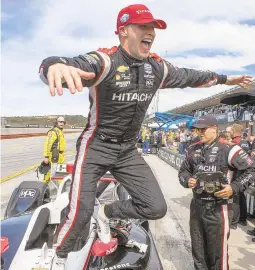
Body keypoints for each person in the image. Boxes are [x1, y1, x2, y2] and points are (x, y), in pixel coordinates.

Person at [38, 3, 253, 267]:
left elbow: (192, 76)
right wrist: (52, 66)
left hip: (128, 150)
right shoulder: (105, 60)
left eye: (153, 27)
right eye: (144, 26)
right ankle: (55, 256)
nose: (150, 31)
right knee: (80, 214)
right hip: (96, 146)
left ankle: (106, 212)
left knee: (156, 208)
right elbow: (70, 63)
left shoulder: (157, 68)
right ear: (123, 31)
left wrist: (225, 79)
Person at [179, 115, 255, 270]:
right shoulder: (193, 148)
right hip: (197, 207)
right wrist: (187, 181)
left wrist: (233, 188)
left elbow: (252, 170)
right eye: (197, 129)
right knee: (198, 251)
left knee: (217, 255)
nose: (199, 132)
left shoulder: (229, 148)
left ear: (214, 129)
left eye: (203, 129)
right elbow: (183, 172)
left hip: (219, 208)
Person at [226, 124, 250, 228]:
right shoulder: (243, 141)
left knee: (237, 197)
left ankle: (237, 220)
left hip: (240, 173)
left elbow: (246, 161)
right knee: (240, 197)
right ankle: (241, 219)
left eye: (229, 131)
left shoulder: (239, 143)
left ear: (234, 131)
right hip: (241, 172)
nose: (228, 133)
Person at [43, 116, 66, 183]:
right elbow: (47, 145)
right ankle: (43, 186)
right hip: (54, 155)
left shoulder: (61, 131)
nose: (62, 123)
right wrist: (46, 157)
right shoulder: (53, 132)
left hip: (61, 155)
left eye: (63, 122)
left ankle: (61, 188)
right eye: (60, 122)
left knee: (61, 173)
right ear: (56, 122)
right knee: (49, 173)